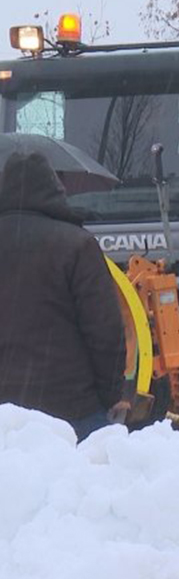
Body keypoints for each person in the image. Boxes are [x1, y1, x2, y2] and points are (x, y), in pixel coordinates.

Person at [0, 151, 126, 441]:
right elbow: (106, 333)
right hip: (72, 411)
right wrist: (107, 398)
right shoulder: (77, 246)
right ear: (55, 190)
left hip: (4, 415)